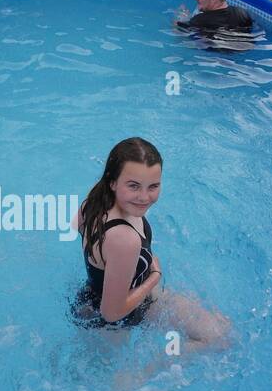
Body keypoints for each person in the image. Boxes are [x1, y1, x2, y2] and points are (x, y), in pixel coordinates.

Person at [71, 137, 231, 348]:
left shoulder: (94, 198)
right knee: (217, 339)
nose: (144, 197)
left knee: (220, 331)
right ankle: (148, 371)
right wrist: (153, 277)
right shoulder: (124, 239)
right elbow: (111, 313)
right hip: (114, 323)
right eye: (134, 186)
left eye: (153, 186)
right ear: (113, 182)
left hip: (95, 298)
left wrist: (106, 261)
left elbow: (77, 225)